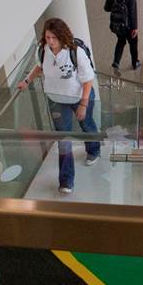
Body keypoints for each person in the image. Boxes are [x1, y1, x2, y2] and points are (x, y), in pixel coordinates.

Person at [17, 18, 100, 194]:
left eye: (54, 37)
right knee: (64, 140)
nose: (51, 41)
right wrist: (26, 81)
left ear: (62, 36)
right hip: (56, 101)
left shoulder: (75, 52)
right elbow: (39, 68)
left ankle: (94, 149)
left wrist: (83, 104)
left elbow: (88, 80)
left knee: (87, 125)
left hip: (80, 97)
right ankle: (66, 180)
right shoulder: (43, 50)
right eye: (48, 37)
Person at [103, 0, 139, 72]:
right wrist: (135, 28)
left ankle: (116, 62)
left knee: (121, 41)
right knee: (133, 44)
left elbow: (106, 8)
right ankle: (135, 62)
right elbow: (133, 12)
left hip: (116, 25)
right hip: (128, 26)